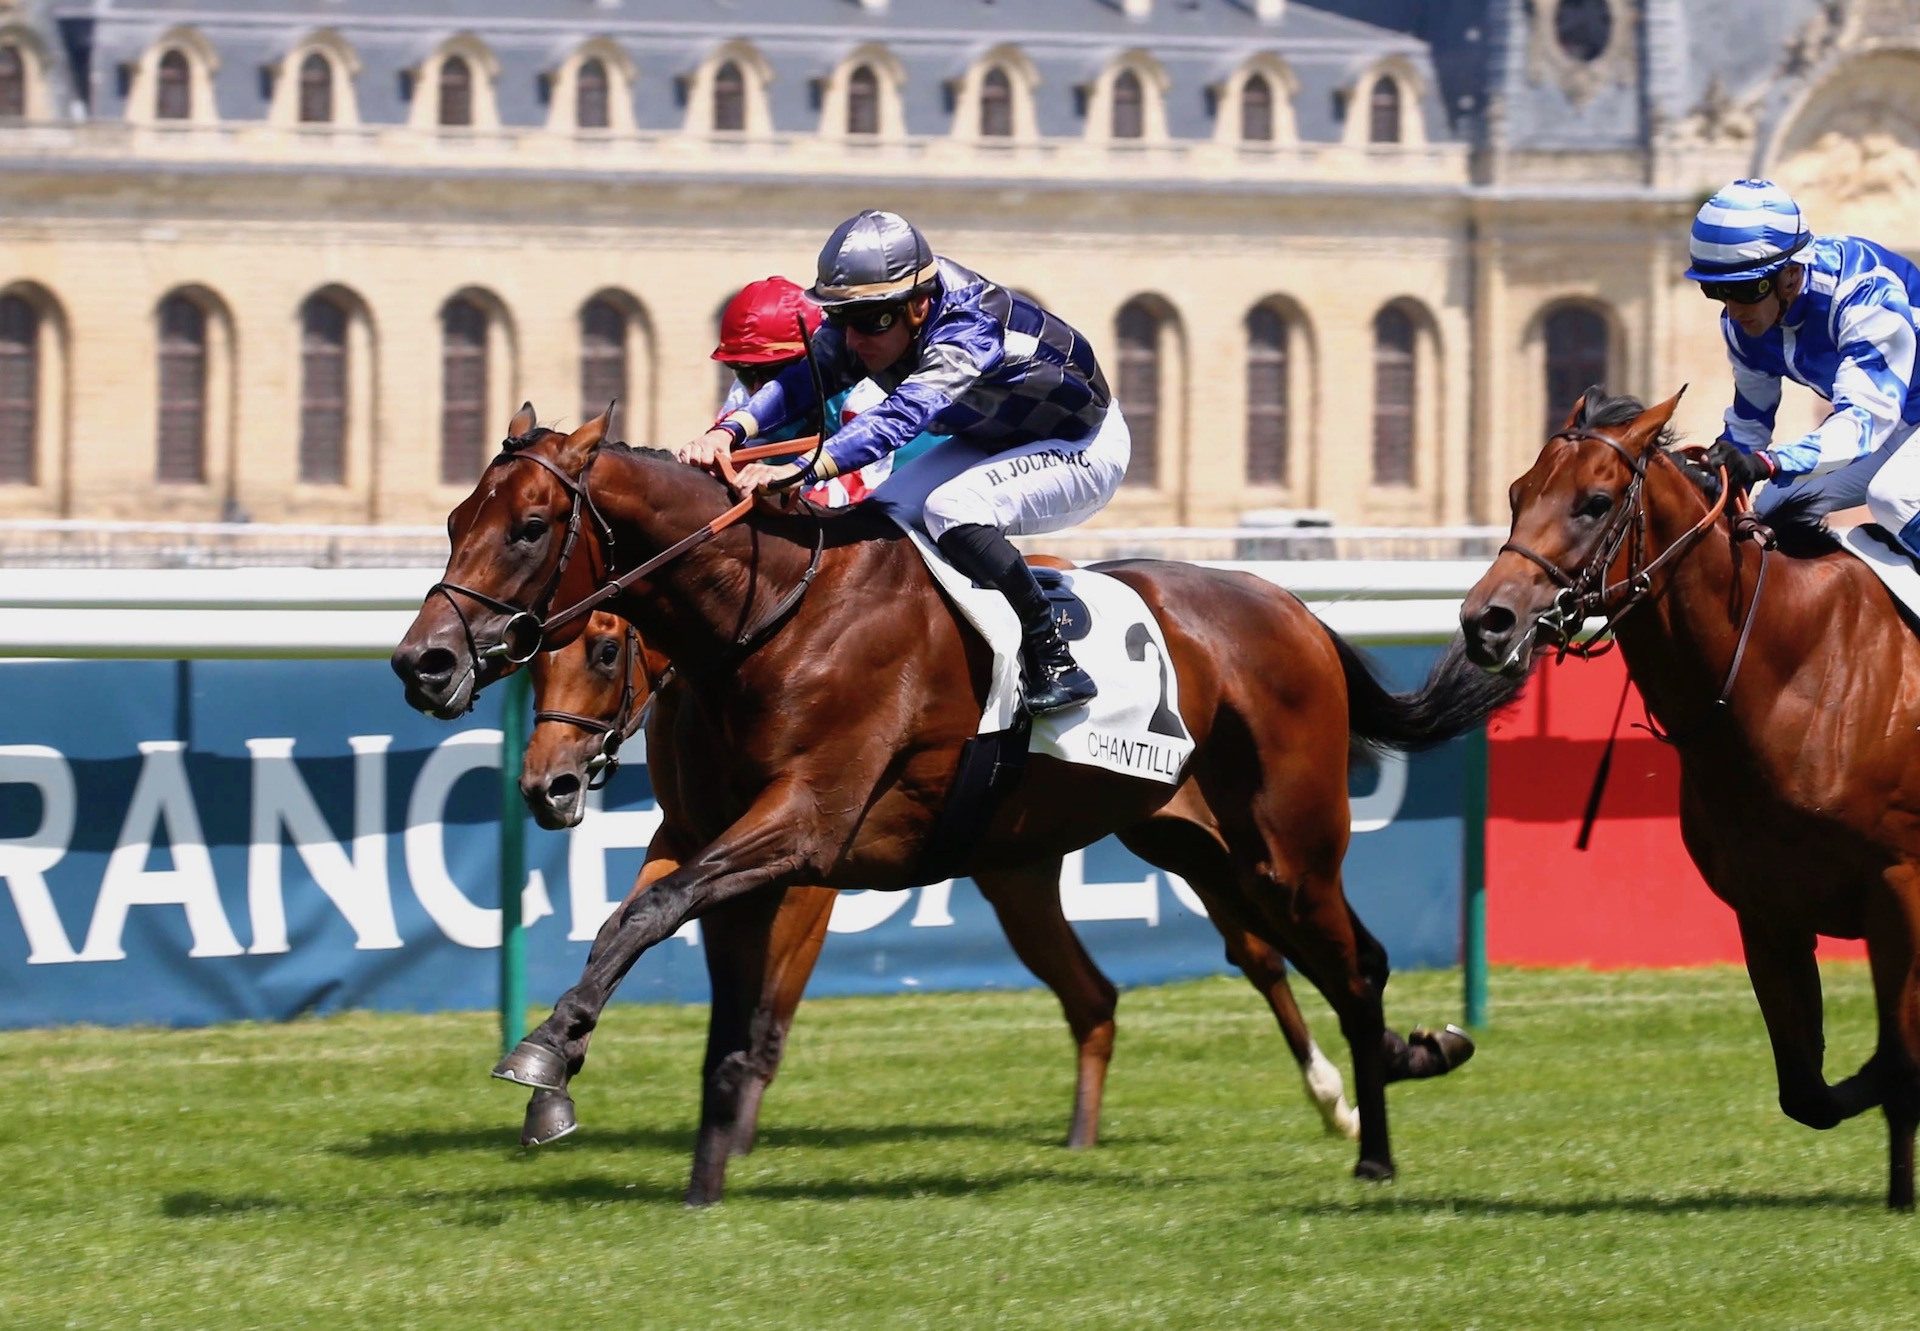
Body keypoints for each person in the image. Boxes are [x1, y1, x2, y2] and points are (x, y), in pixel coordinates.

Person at [679, 210, 1129, 714]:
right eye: (842, 320)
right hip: (994, 436)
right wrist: (727, 431)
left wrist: (802, 468)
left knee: (952, 508)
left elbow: (899, 418)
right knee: (883, 513)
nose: (853, 340)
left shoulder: (968, 328)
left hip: (1082, 445)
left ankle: (1055, 658)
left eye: (869, 324)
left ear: (918, 306)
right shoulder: (874, 315)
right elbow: (802, 382)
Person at [1687, 178, 1920, 553]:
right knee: (1771, 505)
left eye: (1746, 290)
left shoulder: (1864, 293)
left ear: (1791, 275)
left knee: (1895, 498)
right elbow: (1749, 426)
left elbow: (1863, 422)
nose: (1733, 309)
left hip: (1882, 421)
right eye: (1716, 291)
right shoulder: (1743, 327)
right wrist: (1716, 478)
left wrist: (1769, 462)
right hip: (1894, 430)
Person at [711, 276, 906, 508]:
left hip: (904, 493)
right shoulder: (745, 392)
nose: (757, 388)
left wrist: (785, 498)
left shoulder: (861, 396)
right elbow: (725, 468)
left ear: (812, 358)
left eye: (773, 371)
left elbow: (859, 485)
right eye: (742, 372)